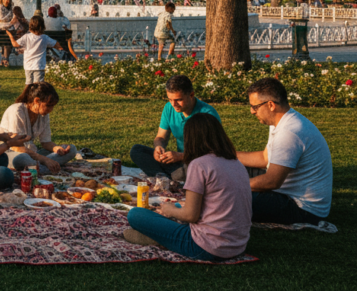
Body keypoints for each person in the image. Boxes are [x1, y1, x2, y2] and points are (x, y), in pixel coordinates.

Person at [124, 114, 252, 261]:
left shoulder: (199, 164)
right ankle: (163, 233)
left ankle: (160, 239)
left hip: (205, 247)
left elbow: (191, 216)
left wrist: (169, 210)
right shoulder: (236, 163)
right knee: (178, 205)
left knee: (136, 214)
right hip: (238, 246)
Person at [236, 78, 332, 225]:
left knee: (225, 198)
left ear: (271, 105)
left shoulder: (290, 132)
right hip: (286, 194)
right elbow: (264, 158)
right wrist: (226, 154)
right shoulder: (280, 122)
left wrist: (231, 185)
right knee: (230, 169)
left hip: (302, 208)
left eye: (254, 106)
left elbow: (272, 181)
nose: (251, 111)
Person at [129, 75, 221, 181]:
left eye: (178, 100)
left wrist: (181, 156)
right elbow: (161, 137)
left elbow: (213, 152)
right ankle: (166, 179)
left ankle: (164, 178)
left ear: (191, 95)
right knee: (137, 151)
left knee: (182, 173)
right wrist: (158, 148)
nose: (173, 104)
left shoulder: (208, 114)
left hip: (199, 162)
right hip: (179, 162)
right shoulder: (169, 108)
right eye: (170, 99)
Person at [0, 82, 78, 173]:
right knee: (23, 159)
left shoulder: (43, 114)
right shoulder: (16, 111)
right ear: (36, 101)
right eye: (48, 106)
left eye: (53, 106)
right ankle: (43, 167)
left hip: (33, 153)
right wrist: (44, 159)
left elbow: (46, 142)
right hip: (10, 153)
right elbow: (17, 147)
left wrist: (56, 148)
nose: (51, 110)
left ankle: (37, 167)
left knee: (71, 149)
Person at [12, 15, 63, 85]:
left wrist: (10, 36)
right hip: (39, 65)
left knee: (28, 85)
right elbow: (56, 44)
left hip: (28, 65)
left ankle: (28, 95)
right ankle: (37, 96)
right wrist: (61, 48)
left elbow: (15, 44)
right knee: (38, 85)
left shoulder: (26, 37)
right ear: (42, 26)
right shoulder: (45, 38)